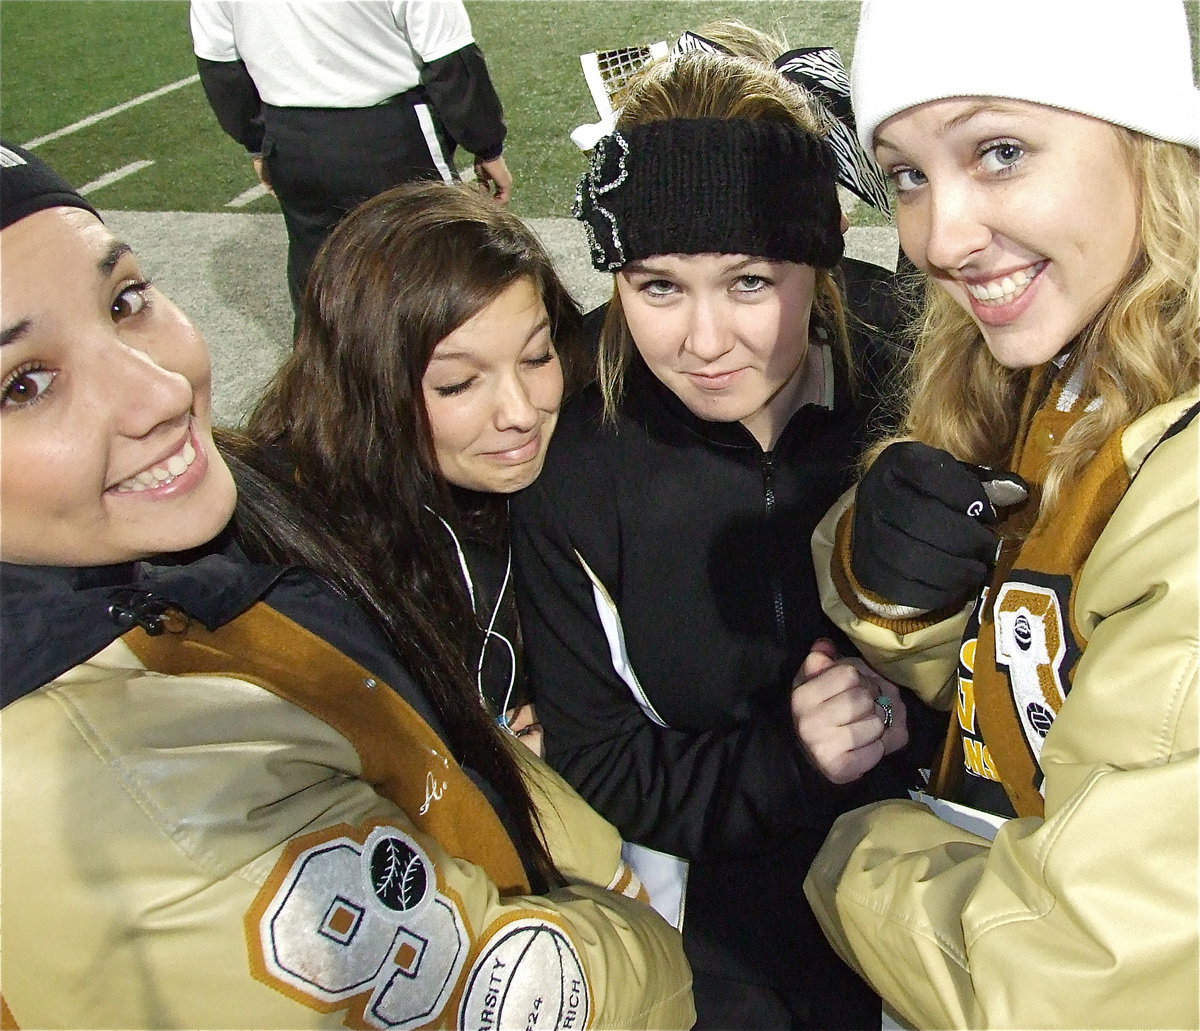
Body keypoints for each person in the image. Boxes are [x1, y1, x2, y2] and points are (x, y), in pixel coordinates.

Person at [0, 141, 695, 1030]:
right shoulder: (132, 770)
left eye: (127, 300)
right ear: (370, 382)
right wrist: (635, 915)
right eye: (24, 384)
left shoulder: (197, 541)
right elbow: (536, 996)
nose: (160, 393)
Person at [509, 50, 935, 1030]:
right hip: (721, 911)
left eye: (749, 281)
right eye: (657, 286)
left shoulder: (921, 370)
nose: (704, 342)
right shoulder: (572, 458)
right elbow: (601, 758)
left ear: (819, 252)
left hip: (945, 867)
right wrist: (791, 761)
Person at [798, 1, 1199, 1027]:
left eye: (1002, 150)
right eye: (908, 173)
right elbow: (1045, 683)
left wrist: (851, 847)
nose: (937, 235)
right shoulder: (1082, 351)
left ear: (1151, 140)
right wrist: (887, 587)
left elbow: (1057, 988)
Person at [233, 179, 590, 757]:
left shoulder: (573, 453)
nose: (522, 413)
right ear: (368, 387)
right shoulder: (294, 563)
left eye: (536, 356)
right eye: (457, 383)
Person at [190, 0, 513, 311]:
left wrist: (257, 141)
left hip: (290, 139)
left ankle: (323, 368)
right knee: (431, 278)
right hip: (388, 137)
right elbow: (449, 56)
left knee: (319, 286)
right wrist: (487, 146)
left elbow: (219, 63)